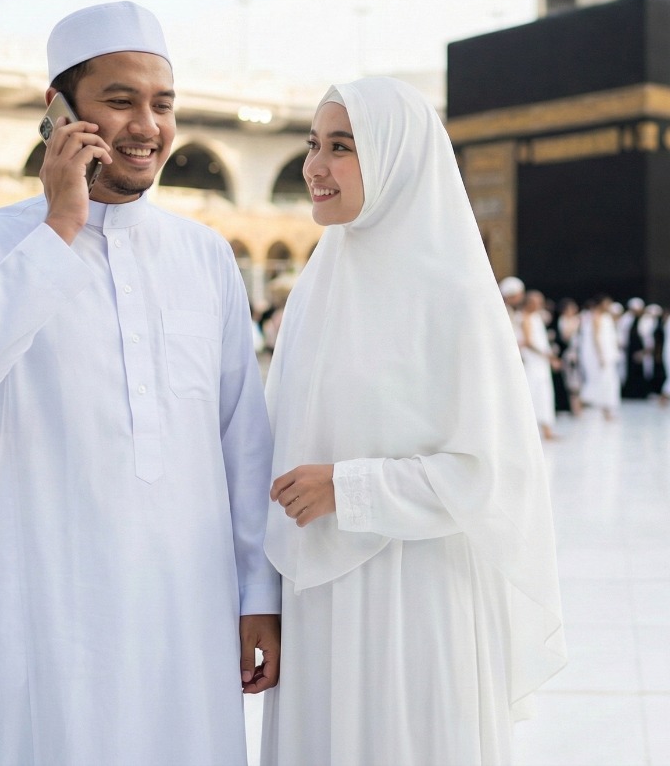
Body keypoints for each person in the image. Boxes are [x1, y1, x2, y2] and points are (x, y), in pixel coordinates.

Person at [0, 2, 279, 765]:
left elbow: (242, 438)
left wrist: (260, 595)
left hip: (187, 606)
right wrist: (58, 229)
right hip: (50, 602)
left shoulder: (204, 254)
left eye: (163, 104)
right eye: (120, 100)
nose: (148, 125)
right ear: (59, 111)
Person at [261, 77, 565, 765]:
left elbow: (486, 473)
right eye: (313, 145)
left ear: (395, 157)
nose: (315, 166)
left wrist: (348, 487)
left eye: (341, 147)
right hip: (318, 601)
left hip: (417, 599)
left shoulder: (453, 295)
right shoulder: (315, 289)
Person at [520, 290, 559, 441]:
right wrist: (547, 355)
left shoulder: (536, 317)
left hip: (541, 362)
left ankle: (546, 429)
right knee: (533, 392)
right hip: (533, 362)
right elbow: (529, 341)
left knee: (544, 393)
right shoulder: (525, 318)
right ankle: (532, 430)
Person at [578, 295, 622, 420]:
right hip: (598, 356)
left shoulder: (606, 317)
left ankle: (607, 411)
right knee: (599, 381)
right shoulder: (595, 317)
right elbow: (596, 338)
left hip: (608, 354)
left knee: (608, 382)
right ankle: (580, 404)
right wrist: (601, 355)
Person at [620, 298, 653, 400]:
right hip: (629, 350)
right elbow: (622, 334)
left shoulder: (647, 320)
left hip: (641, 349)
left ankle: (641, 393)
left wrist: (644, 352)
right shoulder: (626, 319)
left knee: (641, 372)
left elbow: (649, 338)